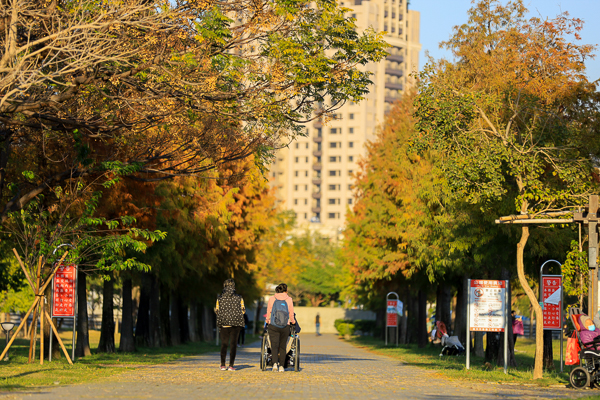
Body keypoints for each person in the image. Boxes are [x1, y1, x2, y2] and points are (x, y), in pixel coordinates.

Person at [215, 279, 245, 371]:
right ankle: (231, 365)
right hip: (236, 325)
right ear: (234, 287)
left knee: (224, 344)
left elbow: (217, 310)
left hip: (224, 324)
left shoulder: (220, 298)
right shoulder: (239, 298)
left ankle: (223, 365)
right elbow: (243, 310)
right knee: (233, 345)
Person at [266, 283, 295, 372]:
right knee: (283, 346)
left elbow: (269, 311)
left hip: (273, 325)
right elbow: (291, 312)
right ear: (286, 290)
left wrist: (267, 320)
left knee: (274, 346)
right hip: (285, 325)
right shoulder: (289, 299)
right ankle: (282, 366)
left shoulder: (272, 298)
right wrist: (292, 321)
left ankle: (274, 364)